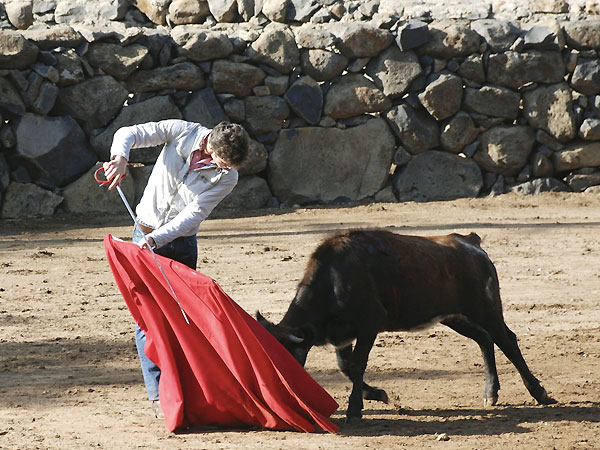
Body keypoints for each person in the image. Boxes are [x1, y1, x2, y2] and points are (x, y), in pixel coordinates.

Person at [102, 119, 250, 418]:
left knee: (184, 320)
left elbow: (194, 214)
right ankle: (159, 396)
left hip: (179, 245)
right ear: (209, 146)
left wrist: (155, 239)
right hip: (143, 232)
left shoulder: (228, 176)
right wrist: (120, 158)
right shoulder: (184, 131)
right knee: (149, 318)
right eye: (221, 163)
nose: (225, 170)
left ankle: (187, 390)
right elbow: (129, 133)